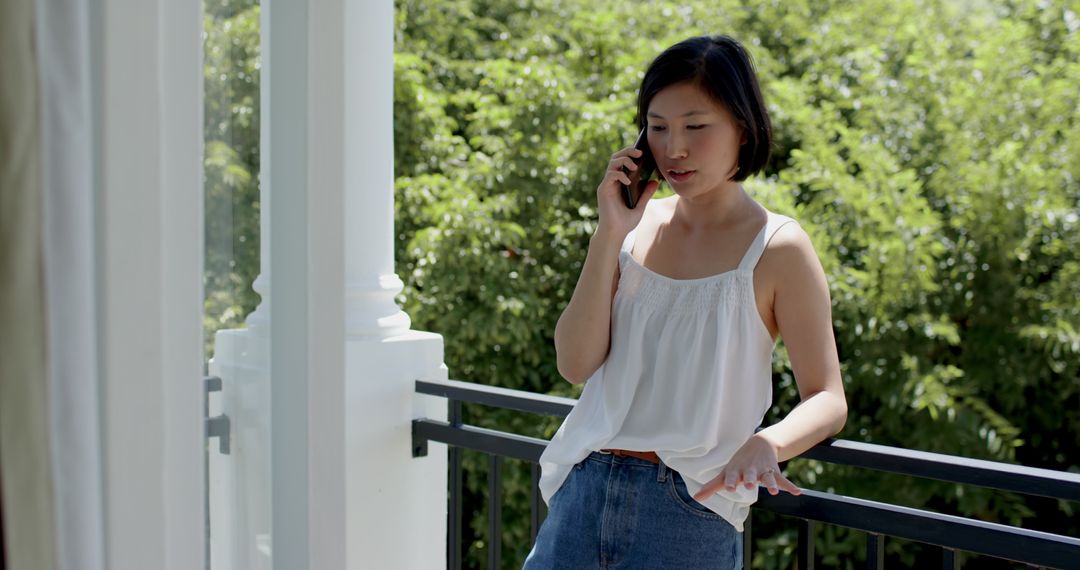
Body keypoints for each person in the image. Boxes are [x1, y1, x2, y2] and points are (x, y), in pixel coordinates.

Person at [523, 34, 848, 569]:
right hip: (582, 493)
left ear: (743, 129)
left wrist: (769, 442)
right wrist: (609, 233)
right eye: (658, 127)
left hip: (687, 511)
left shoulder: (778, 247)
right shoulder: (630, 229)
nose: (673, 148)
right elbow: (574, 363)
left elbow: (827, 396)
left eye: (696, 127)